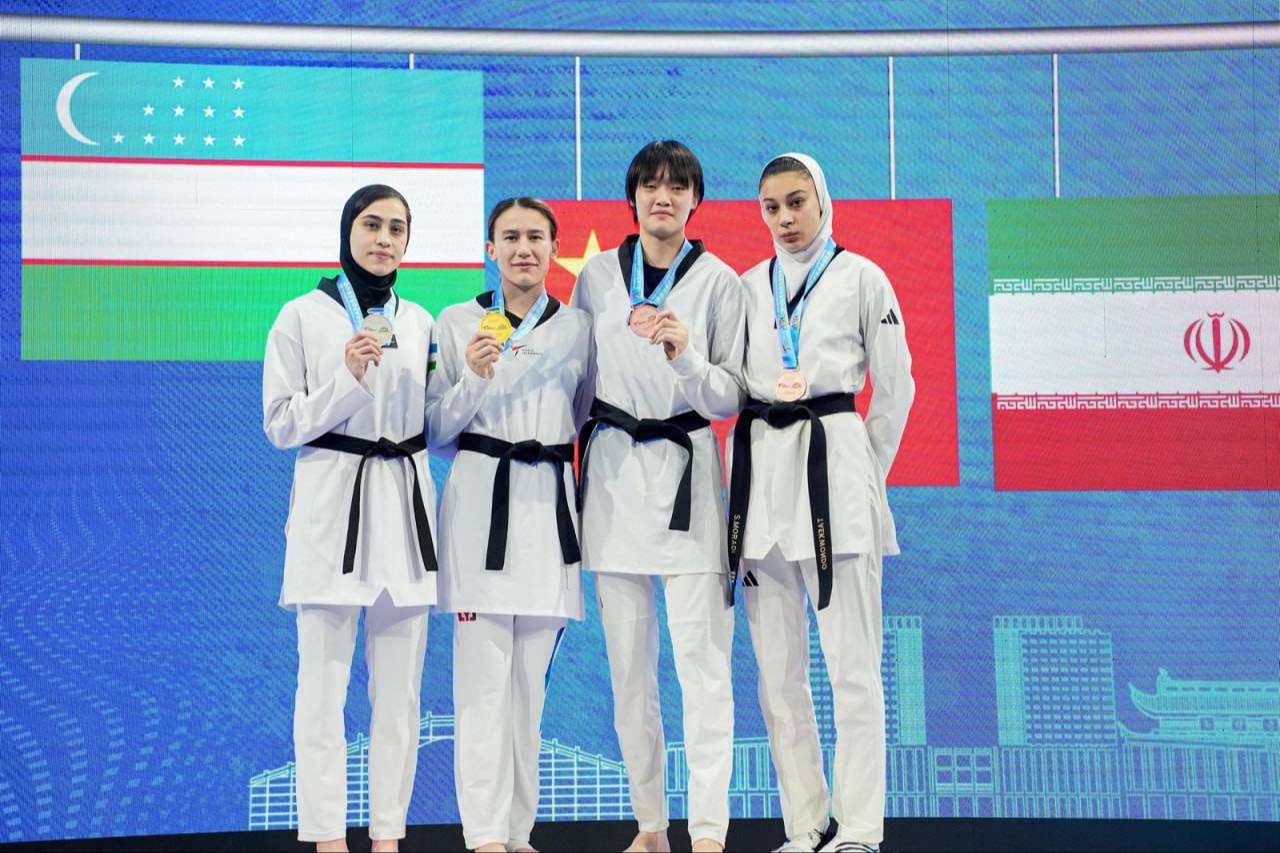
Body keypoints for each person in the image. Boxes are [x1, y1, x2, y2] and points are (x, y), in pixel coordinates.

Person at [728, 153, 914, 853]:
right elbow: (728, 384)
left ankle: (859, 829)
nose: (785, 217)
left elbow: (896, 389)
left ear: (822, 200)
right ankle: (805, 825)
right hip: (762, 484)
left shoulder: (864, 277)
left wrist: (863, 475)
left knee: (853, 672)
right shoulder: (747, 287)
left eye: (796, 201)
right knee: (778, 680)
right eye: (771, 206)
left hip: (834, 472)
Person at [571, 140, 745, 853]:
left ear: (696, 200)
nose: (662, 196)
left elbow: (731, 396)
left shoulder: (720, 282)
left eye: (677, 186)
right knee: (628, 672)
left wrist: (687, 358)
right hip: (614, 480)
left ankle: (708, 831)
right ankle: (650, 826)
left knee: (703, 670)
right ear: (633, 197)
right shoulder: (595, 278)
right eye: (650, 185)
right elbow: (579, 383)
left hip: (688, 478)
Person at [263, 185, 438, 853]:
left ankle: (388, 836)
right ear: (347, 231)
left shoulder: (420, 321)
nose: (384, 238)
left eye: (397, 228)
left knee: (399, 698)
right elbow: (280, 425)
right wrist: (346, 378)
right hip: (331, 514)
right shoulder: (301, 316)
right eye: (372, 224)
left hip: (404, 515)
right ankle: (328, 837)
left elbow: (434, 421)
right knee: (321, 695)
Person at [425, 197, 593, 853]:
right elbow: (436, 431)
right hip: (479, 513)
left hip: (547, 516)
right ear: (490, 248)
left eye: (536, 237)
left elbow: (582, 417)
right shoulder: (455, 321)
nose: (524, 249)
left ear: (554, 248)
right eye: (510, 237)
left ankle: (519, 833)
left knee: (528, 695)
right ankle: (484, 836)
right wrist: (472, 378)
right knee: (481, 690)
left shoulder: (577, 327)